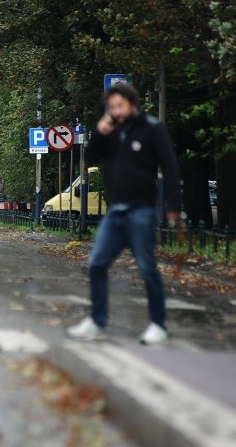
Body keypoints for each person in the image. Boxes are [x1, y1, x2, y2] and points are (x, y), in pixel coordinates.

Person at [68, 83, 182, 345]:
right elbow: (91, 158)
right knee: (96, 263)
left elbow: (170, 166)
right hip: (115, 212)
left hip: (141, 210)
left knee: (146, 267)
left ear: (132, 104)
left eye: (120, 106)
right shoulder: (111, 132)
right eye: (112, 107)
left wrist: (174, 206)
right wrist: (99, 132)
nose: (116, 111)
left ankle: (158, 325)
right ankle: (96, 322)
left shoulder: (151, 129)